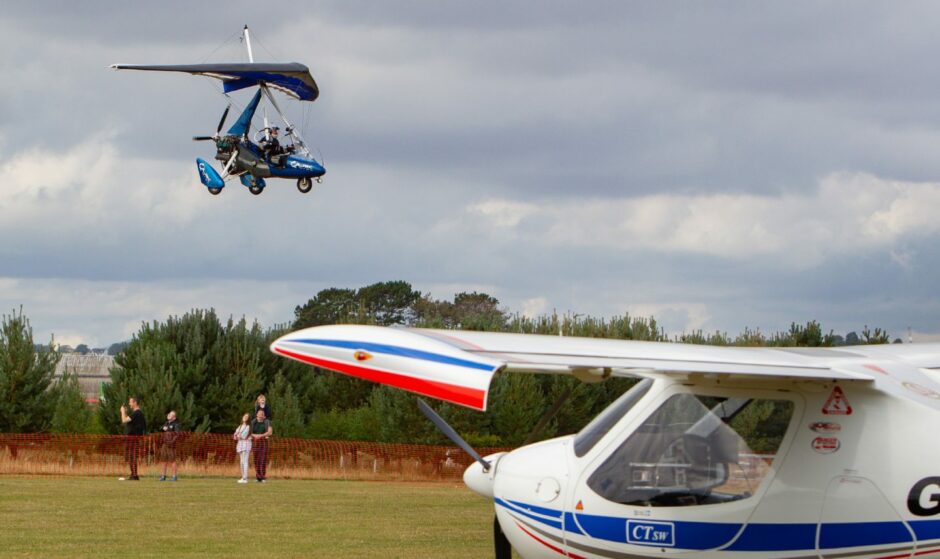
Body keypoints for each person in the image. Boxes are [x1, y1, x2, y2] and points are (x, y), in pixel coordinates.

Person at [120, 396, 146, 480]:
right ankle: (133, 474)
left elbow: (124, 420)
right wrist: (125, 413)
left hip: (133, 438)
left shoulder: (137, 413)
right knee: (131, 456)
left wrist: (122, 411)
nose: (129, 404)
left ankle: (134, 475)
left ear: (135, 403)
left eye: (130, 402)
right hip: (133, 438)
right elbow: (129, 421)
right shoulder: (137, 413)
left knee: (132, 456)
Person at [250, 408, 273, 483]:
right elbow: (249, 432)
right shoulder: (253, 422)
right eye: (259, 414)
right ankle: (258, 477)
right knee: (256, 459)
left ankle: (263, 477)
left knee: (262, 459)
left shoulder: (267, 422)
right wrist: (255, 436)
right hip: (255, 443)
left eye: (262, 414)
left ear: (264, 416)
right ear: (256, 415)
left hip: (263, 442)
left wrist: (260, 436)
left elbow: (270, 432)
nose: (260, 415)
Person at [159, 410, 181, 481]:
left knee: (172, 460)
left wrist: (172, 442)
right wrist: (163, 428)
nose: (169, 415)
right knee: (163, 460)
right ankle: (163, 476)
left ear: (174, 418)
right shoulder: (166, 423)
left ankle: (174, 476)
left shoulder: (176, 424)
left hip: (171, 445)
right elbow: (161, 429)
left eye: (171, 414)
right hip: (164, 444)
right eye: (169, 414)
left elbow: (177, 434)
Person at [233, 413, 252, 484]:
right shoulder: (240, 426)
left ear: (248, 419)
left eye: (247, 416)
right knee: (241, 461)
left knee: (245, 460)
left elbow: (243, 436)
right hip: (240, 444)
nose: (245, 417)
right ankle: (243, 477)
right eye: (244, 416)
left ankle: (245, 478)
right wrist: (237, 435)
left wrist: (238, 435)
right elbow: (235, 435)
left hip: (246, 444)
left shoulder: (248, 427)